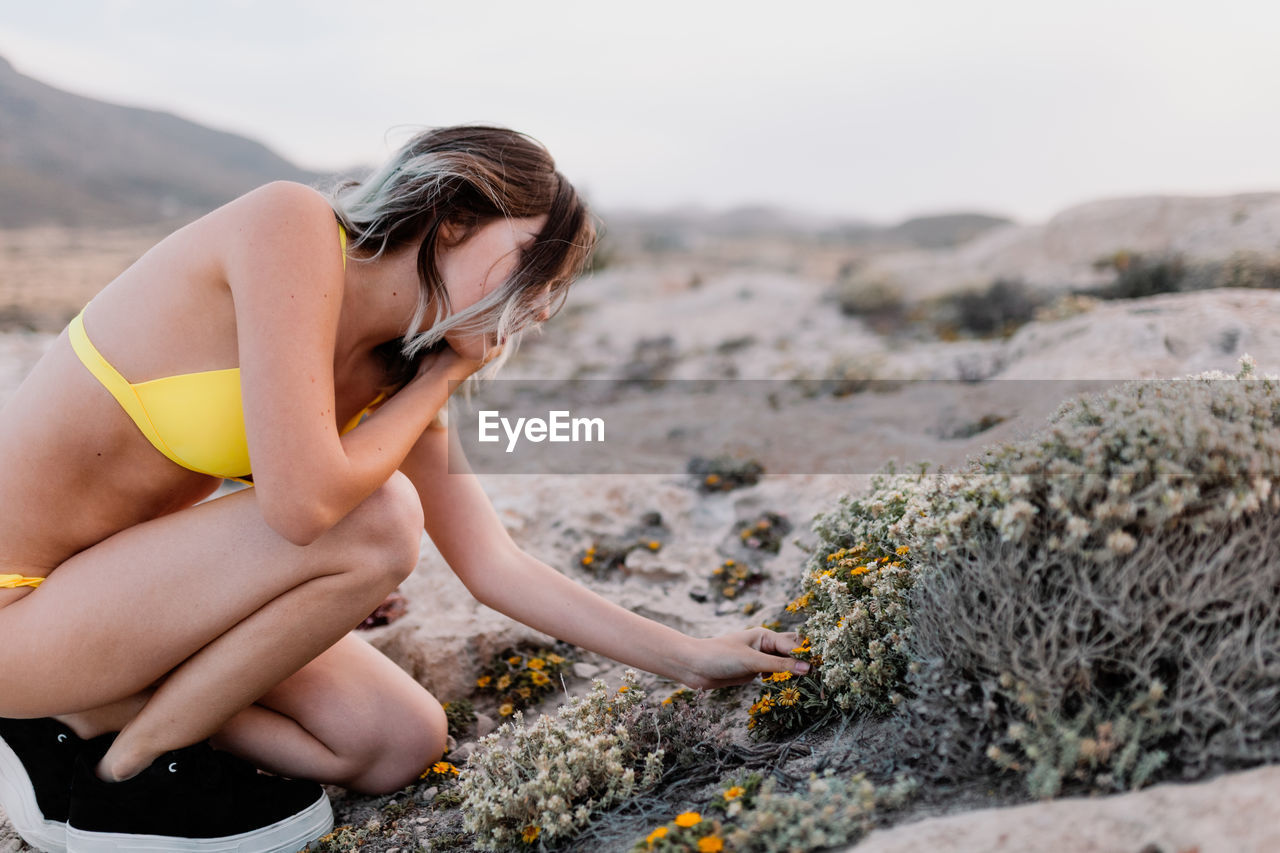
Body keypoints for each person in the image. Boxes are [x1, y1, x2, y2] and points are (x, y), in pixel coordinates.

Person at [0, 125, 809, 853]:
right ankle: (115, 775)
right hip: (17, 608)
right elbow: (303, 506)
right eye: (531, 263)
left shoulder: (400, 377)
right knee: (378, 519)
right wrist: (448, 375)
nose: (536, 305)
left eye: (553, 288)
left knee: (394, 737)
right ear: (453, 214)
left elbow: (497, 567)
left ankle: (94, 709)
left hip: (108, 602)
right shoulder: (289, 227)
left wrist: (693, 656)